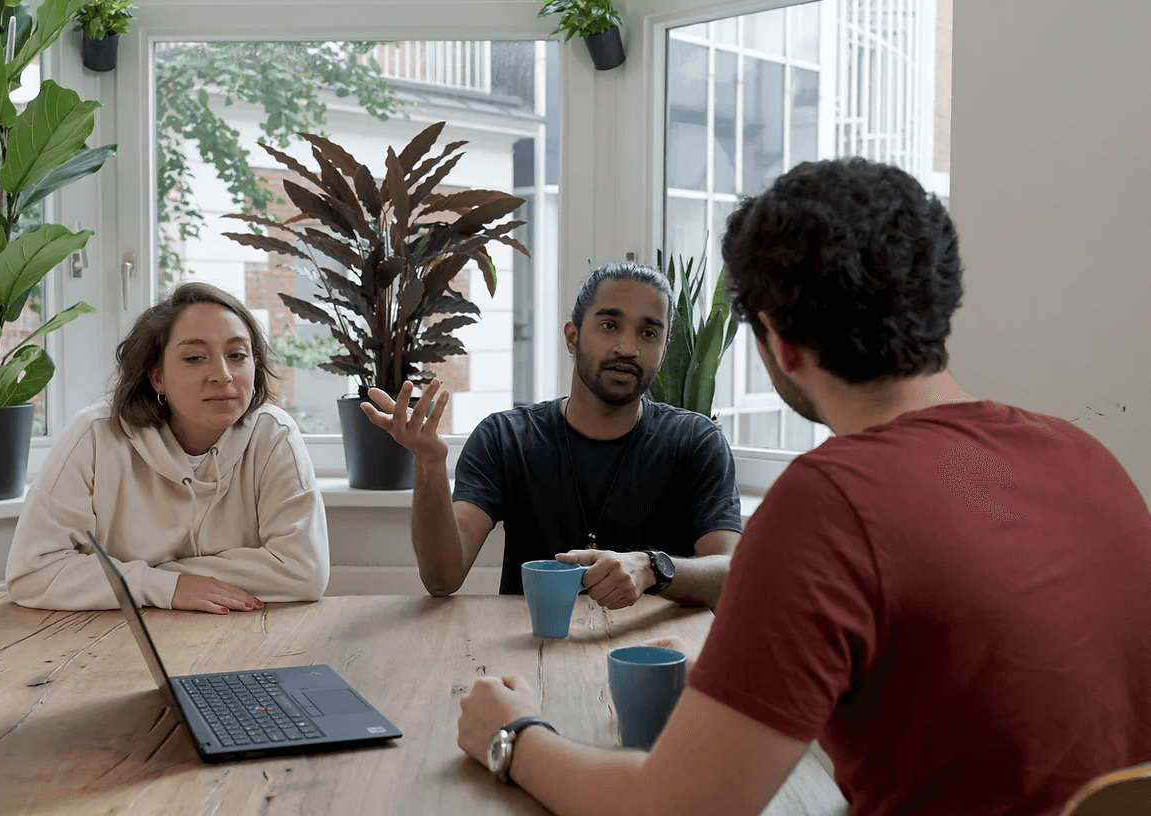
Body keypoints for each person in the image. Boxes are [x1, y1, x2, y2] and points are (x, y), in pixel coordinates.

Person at [454, 158, 1151, 816]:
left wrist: (513, 735)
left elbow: (671, 808)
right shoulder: (1087, 458)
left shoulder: (831, 504)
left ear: (780, 345)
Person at [364, 261, 742, 610]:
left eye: (648, 333)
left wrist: (652, 568)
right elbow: (442, 578)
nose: (627, 348)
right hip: (531, 658)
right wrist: (429, 465)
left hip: (652, 658)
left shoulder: (697, 441)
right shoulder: (505, 438)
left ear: (662, 351)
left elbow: (731, 576)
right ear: (573, 337)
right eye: (609, 325)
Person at [6, 282, 330, 613]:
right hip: (110, 639)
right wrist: (162, 587)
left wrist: (149, 579)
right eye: (194, 358)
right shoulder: (95, 435)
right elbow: (31, 572)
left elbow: (305, 571)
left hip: (239, 631)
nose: (222, 374)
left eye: (237, 355)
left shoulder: (273, 434)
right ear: (157, 377)